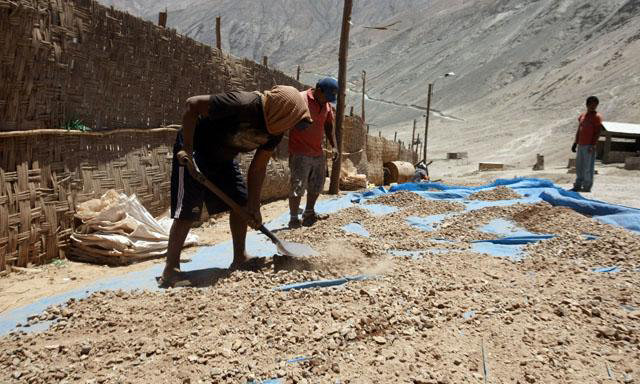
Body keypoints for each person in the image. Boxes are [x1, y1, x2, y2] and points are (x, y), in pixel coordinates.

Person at [161, 86, 312, 286]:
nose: (290, 128)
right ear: (282, 110)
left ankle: (239, 257)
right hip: (195, 151)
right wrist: (187, 148)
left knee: (241, 204)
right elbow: (192, 104)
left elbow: (258, 168)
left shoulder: (275, 129)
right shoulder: (243, 103)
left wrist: (254, 205)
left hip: (224, 158)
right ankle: (171, 269)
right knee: (188, 210)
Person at [288, 77, 339, 228]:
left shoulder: (327, 105)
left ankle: (309, 212)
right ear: (318, 89)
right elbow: (287, 118)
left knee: (317, 184)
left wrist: (334, 145)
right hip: (300, 151)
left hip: (317, 152)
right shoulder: (301, 98)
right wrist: (297, 123)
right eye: (326, 97)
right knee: (298, 186)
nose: (326, 101)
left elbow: (329, 125)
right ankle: (293, 219)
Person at [571, 96, 604, 193]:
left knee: (587, 167)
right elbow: (579, 130)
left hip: (589, 146)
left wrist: (593, 145)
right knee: (579, 166)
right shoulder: (582, 116)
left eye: (595, 105)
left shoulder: (597, 117)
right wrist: (575, 142)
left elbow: (598, 132)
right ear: (587, 105)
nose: (593, 107)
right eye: (591, 104)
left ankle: (587, 187)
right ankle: (577, 185)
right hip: (581, 145)